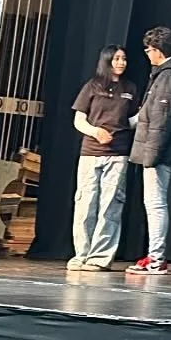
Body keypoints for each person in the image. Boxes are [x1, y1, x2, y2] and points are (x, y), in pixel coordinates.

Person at [126, 26, 171, 276]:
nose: (147, 54)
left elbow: (162, 120)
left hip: (158, 153)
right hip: (156, 151)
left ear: (158, 50)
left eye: (148, 50)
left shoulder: (169, 76)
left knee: (155, 204)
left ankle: (156, 258)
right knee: (154, 203)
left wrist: (151, 155)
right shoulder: (167, 74)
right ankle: (154, 256)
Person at [68, 45, 140, 272]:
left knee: (111, 205)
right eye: (116, 58)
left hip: (118, 153)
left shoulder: (130, 88)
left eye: (124, 59)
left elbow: (132, 121)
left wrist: (147, 112)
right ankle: (81, 255)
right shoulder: (92, 86)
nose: (121, 63)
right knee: (85, 204)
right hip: (91, 153)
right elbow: (79, 120)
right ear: (106, 60)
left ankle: (100, 258)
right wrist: (95, 132)